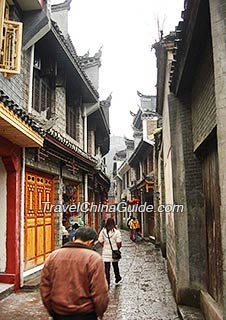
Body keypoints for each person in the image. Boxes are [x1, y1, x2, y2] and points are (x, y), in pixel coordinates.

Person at [40, 227, 109, 320]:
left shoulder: (53, 256)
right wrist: (99, 313)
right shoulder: (93, 258)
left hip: (59, 313)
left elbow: (45, 287)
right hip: (85, 314)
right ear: (90, 242)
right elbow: (99, 291)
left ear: (74, 238)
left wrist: (51, 310)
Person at [98, 218, 122, 287]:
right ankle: (117, 277)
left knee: (107, 268)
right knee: (115, 266)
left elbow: (100, 240)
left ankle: (107, 282)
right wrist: (117, 248)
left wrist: (104, 245)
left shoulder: (103, 231)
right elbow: (119, 242)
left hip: (106, 251)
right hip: (114, 251)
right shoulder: (116, 232)